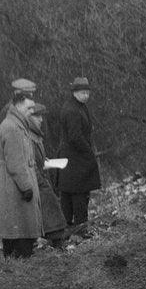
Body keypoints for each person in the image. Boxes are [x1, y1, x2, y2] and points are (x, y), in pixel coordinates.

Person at [0, 91, 43, 258]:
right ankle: (18, 263)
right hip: (14, 186)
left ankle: (14, 261)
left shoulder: (15, 124)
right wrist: (26, 187)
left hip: (12, 184)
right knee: (20, 229)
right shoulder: (12, 127)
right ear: (18, 105)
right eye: (29, 108)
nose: (31, 112)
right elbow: (15, 163)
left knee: (15, 229)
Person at [57, 77, 102, 235]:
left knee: (71, 194)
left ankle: (70, 229)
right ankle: (80, 230)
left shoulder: (77, 107)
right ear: (75, 93)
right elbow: (75, 137)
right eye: (83, 93)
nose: (86, 95)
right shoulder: (72, 110)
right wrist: (89, 153)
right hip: (75, 160)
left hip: (72, 159)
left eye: (87, 92)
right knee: (78, 195)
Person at [28, 103, 66, 249]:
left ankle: (56, 243)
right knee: (50, 212)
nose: (41, 119)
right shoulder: (29, 137)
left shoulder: (36, 135)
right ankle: (57, 243)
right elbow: (30, 163)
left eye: (41, 116)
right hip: (38, 183)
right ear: (29, 117)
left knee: (51, 213)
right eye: (37, 116)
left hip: (42, 180)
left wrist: (45, 161)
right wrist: (41, 182)